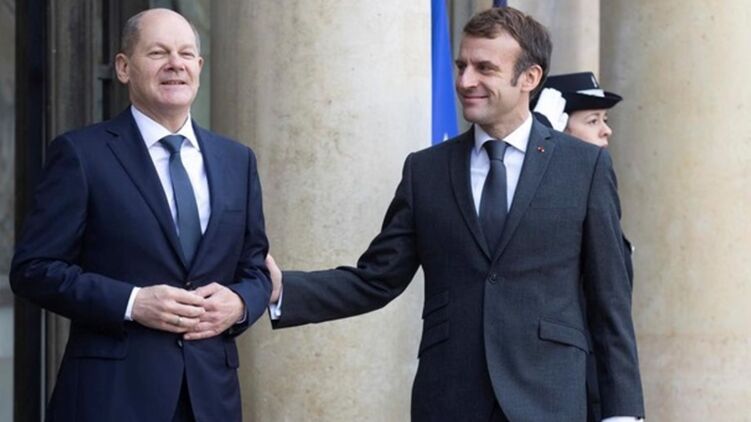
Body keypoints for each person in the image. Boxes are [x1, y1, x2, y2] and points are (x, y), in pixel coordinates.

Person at [267, 7, 644, 422]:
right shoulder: (426, 170)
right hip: (449, 399)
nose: (465, 81)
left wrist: (622, 413)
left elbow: (610, 302)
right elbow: (376, 278)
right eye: (462, 66)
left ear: (530, 78)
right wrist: (282, 289)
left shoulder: (584, 167)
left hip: (549, 400)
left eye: (485, 68)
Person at [10, 8, 270, 422]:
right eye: (158, 52)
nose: (175, 64)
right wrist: (133, 302)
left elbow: (255, 269)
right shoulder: (81, 154)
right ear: (124, 67)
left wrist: (239, 303)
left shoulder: (237, 160)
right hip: (111, 399)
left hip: (211, 399)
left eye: (186, 54)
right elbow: (33, 270)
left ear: (199, 67)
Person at [534, 71, 634, 422]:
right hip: (549, 387)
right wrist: (538, 136)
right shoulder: (542, 195)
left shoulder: (595, 183)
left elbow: (611, 305)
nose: (606, 131)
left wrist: (622, 409)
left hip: (590, 384)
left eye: (605, 120)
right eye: (592, 121)